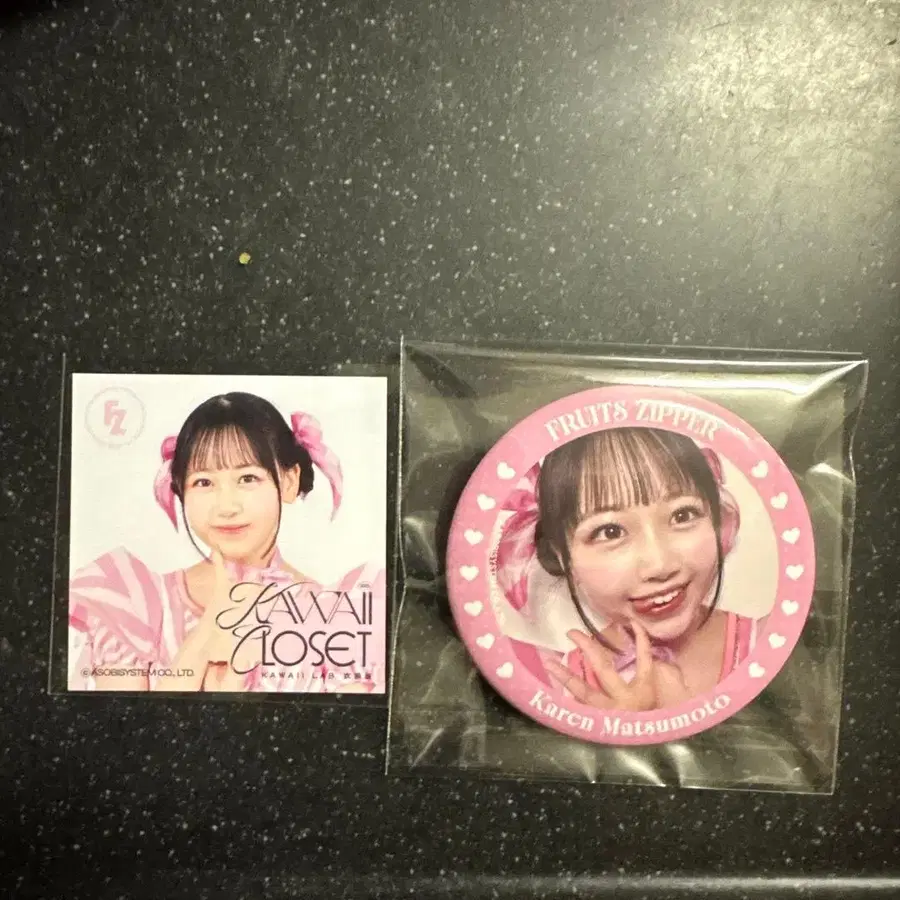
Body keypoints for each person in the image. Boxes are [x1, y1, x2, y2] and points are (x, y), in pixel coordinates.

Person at [68, 391, 383, 693]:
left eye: (247, 478)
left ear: (289, 481)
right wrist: (207, 630)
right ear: (181, 490)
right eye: (204, 482)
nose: (226, 506)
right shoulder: (132, 602)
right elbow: (122, 725)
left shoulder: (340, 615)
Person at [494, 427, 763, 711]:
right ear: (563, 556)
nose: (660, 565)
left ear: (716, 520)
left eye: (683, 515)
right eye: (610, 532)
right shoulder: (560, 684)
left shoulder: (771, 644)